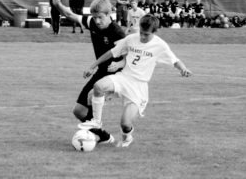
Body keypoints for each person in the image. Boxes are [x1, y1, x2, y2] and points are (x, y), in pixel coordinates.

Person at [78, 14, 192, 147]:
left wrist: (183, 69)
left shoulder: (160, 45)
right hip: (123, 78)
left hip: (138, 87)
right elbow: (112, 52)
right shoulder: (131, 39)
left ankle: (127, 137)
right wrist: (93, 66)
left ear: (155, 32)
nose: (142, 37)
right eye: (141, 33)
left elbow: (175, 60)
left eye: (146, 34)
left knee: (125, 123)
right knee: (98, 86)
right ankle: (97, 121)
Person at [52, 0, 126, 143]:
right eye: (95, 17)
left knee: (94, 94)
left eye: (100, 17)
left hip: (118, 75)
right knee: (79, 111)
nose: (97, 21)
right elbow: (69, 14)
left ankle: (97, 127)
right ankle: (104, 137)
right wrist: (58, 4)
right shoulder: (91, 22)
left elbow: (130, 58)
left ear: (108, 14)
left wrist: (118, 64)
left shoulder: (117, 32)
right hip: (101, 72)